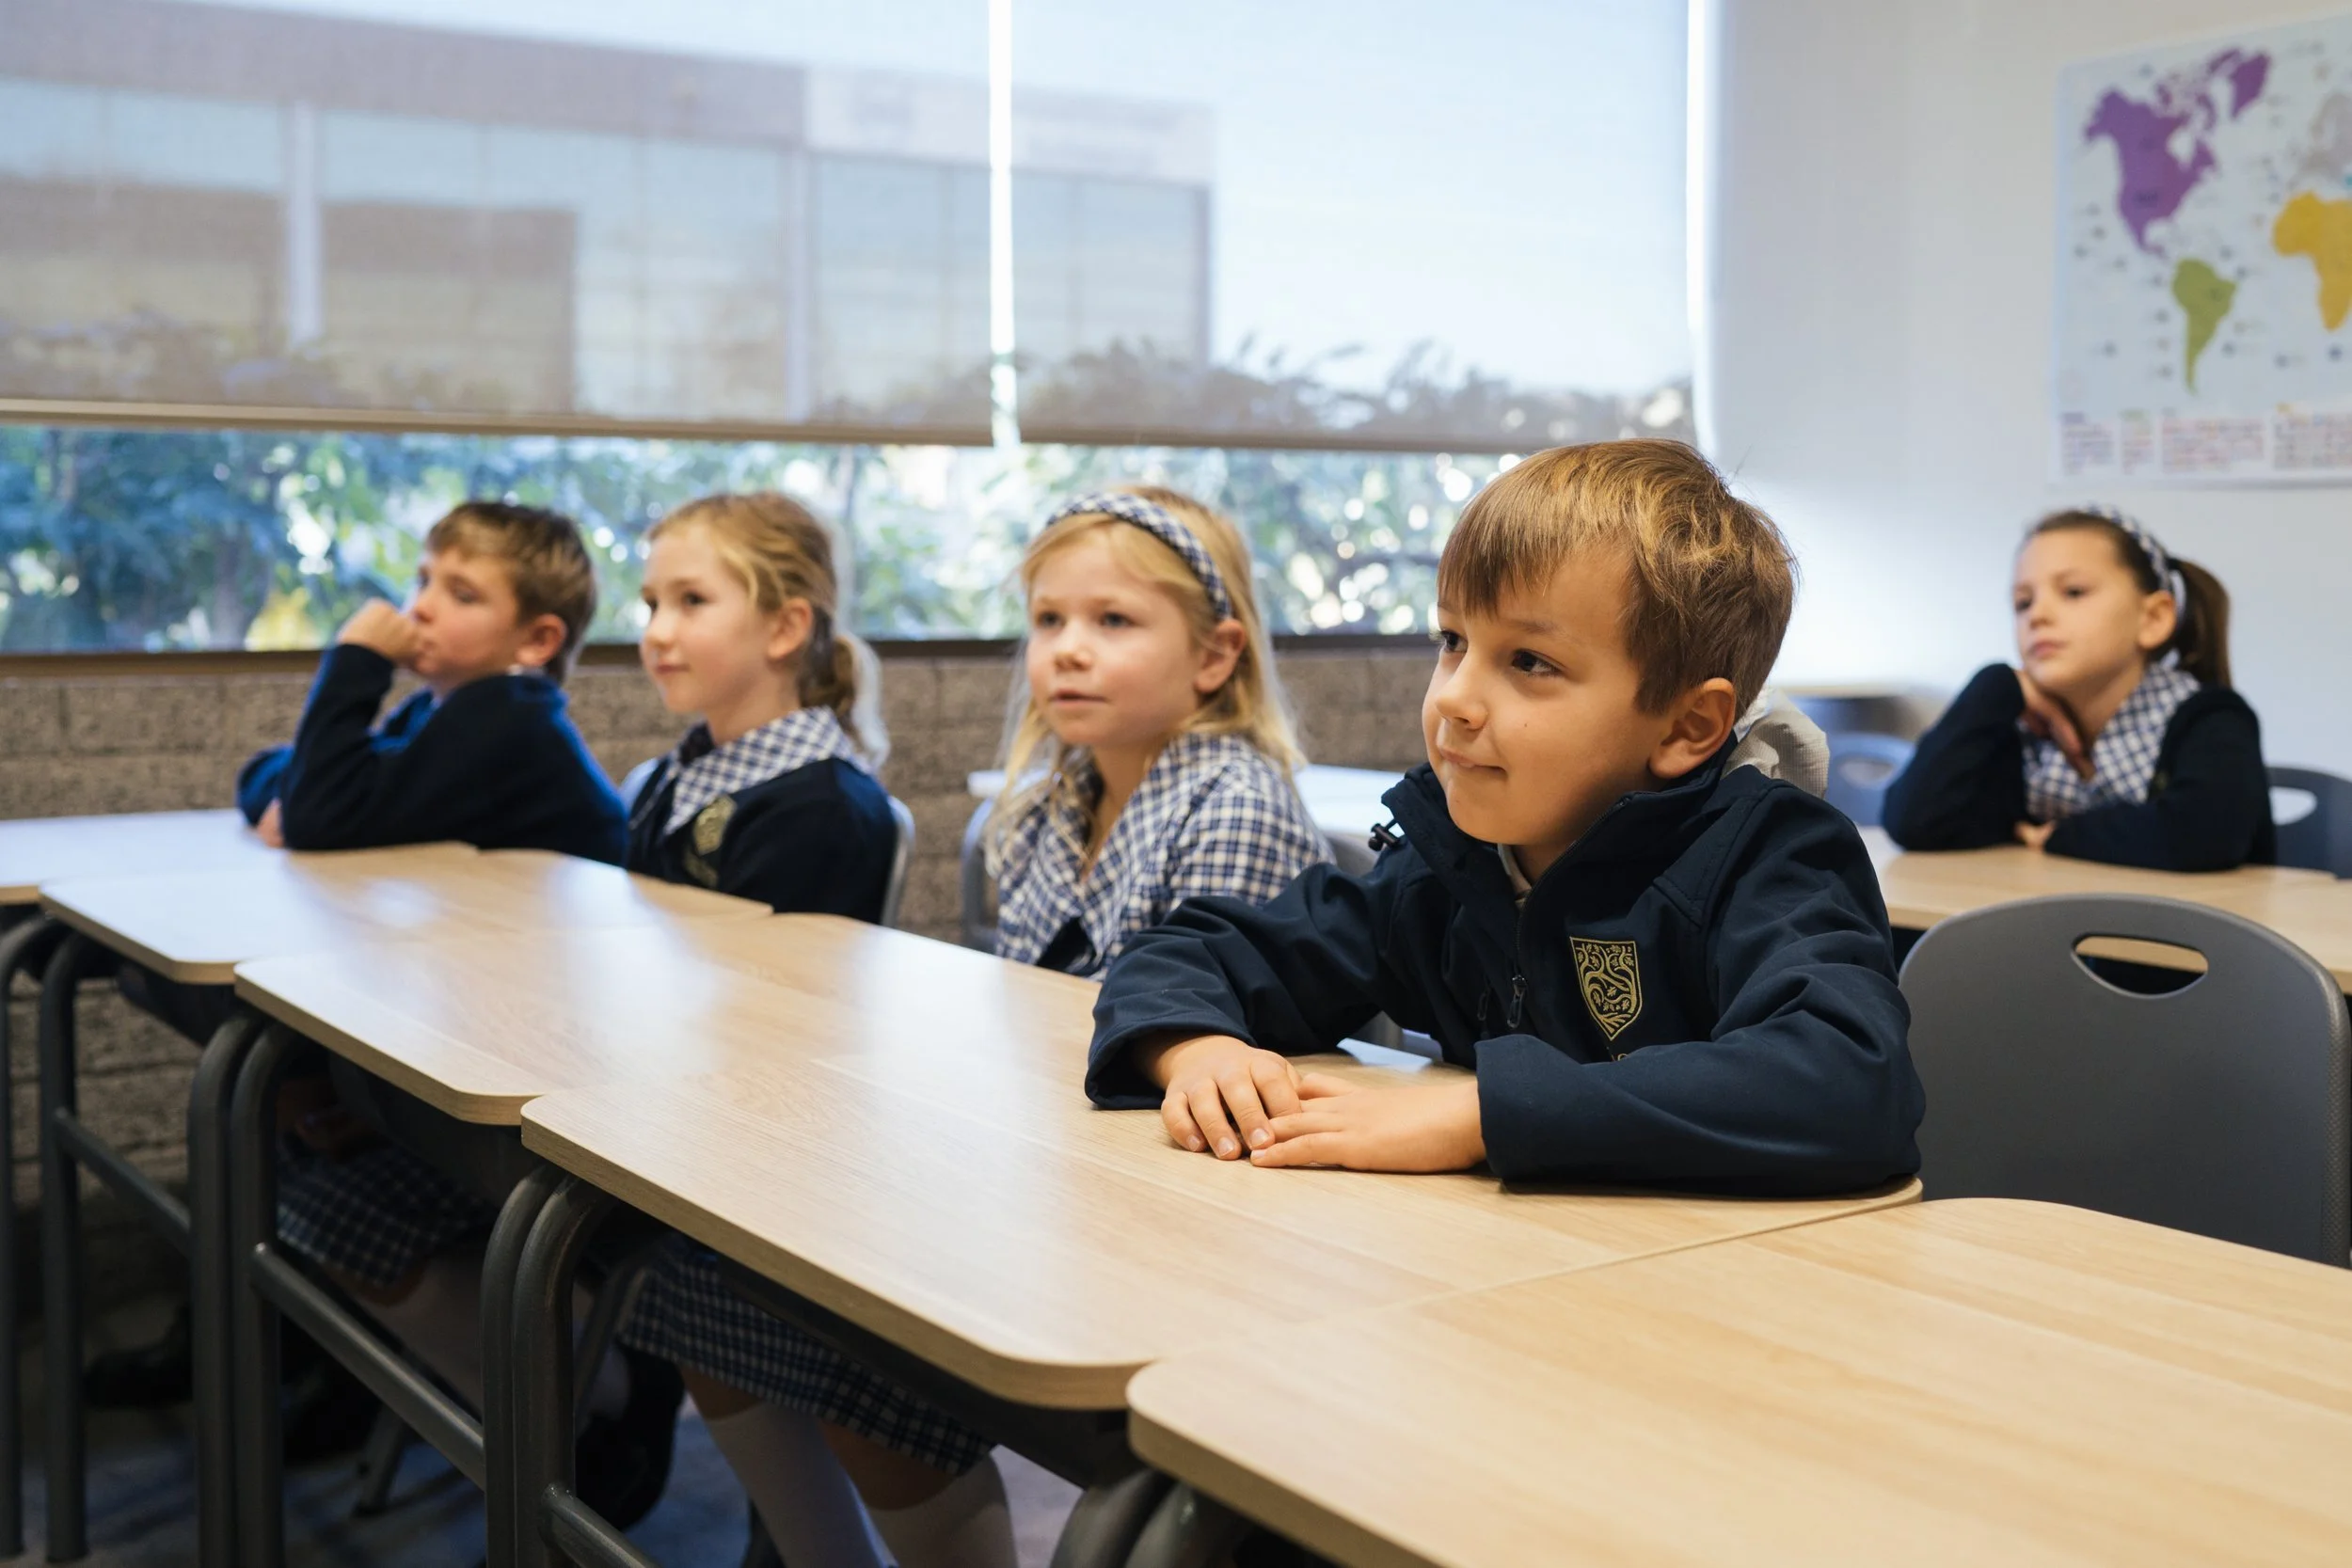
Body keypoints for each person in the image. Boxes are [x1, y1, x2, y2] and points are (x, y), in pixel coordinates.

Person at [619, 484, 1326, 1568]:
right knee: (710, 1283)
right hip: (1048, 1173)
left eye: (1114, 622)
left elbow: (1200, 1041)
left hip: (1174, 1217)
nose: (1068, 651)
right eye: (1049, 622)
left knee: (863, 1363)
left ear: (1216, 653)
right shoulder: (1040, 806)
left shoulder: (1232, 801)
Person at [1083, 440, 1924, 1190]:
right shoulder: (1451, 866)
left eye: (1530, 661)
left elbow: (1849, 1080)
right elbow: (1192, 952)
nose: (1453, 697)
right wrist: (1197, 1049)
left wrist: (1481, 1115)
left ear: (1686, 726)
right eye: (1452, 640)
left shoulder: (1770, 859)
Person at [1883, 507, 2272, 870]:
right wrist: (1995, 685)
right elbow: (1913, 822)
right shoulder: (2018, 735)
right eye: (2022, 603)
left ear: (2153, 618)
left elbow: (2204, 835)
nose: (2038, 615)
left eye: (2073, 592)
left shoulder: (2210, 719)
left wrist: (2061, 836)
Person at [238, 499, 625, 862]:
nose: (420, 608)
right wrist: (296, 800)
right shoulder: (434, 707)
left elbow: (320, 816)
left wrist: (357, 659)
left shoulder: (510, 725)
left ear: (536, 641)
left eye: (462, 595)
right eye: (423, 581)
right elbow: (284, 778)